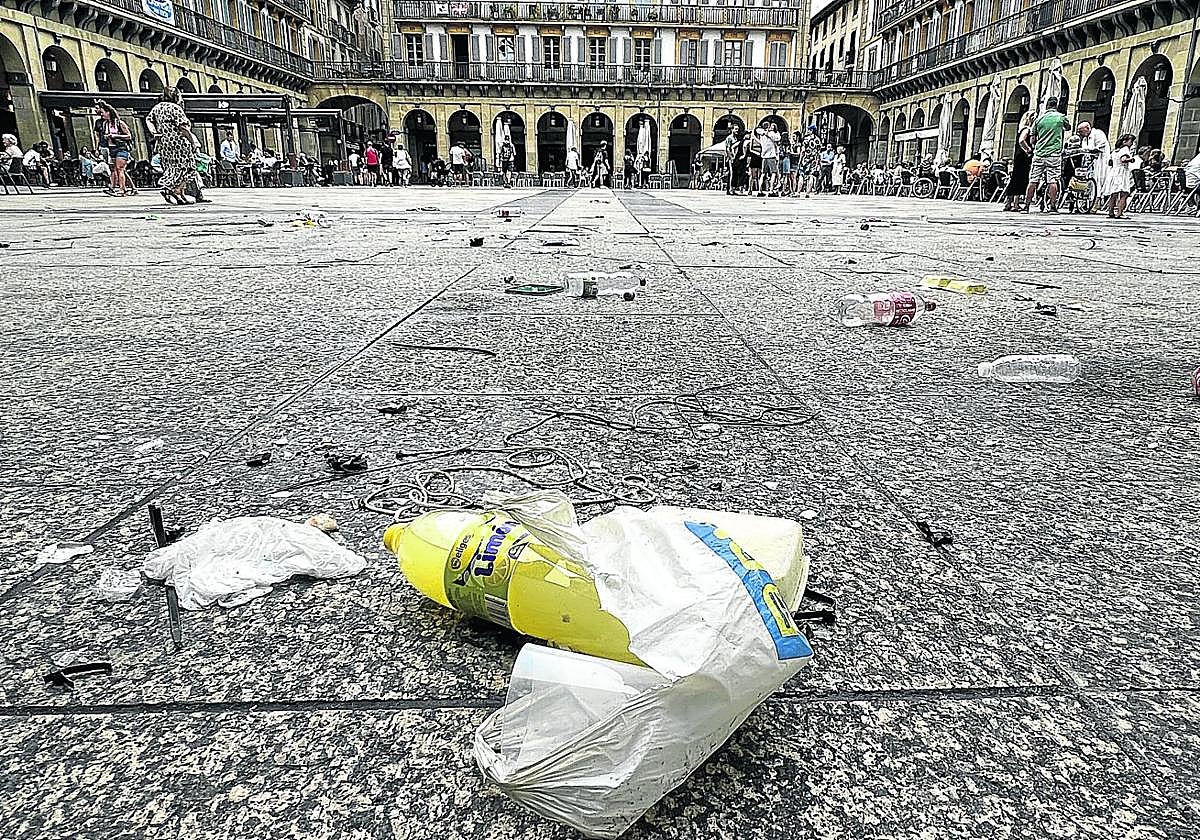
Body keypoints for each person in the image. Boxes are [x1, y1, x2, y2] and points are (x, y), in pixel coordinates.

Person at [146, 87, 203, 205]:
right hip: (178, 143)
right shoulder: (175, 108)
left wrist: (154, 133)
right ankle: (174, 189)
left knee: (171, 168)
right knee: (189, 168)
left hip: (164, 144)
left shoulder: (157, 108)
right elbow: (183, 127)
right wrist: (192, 141)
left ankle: (180, 195)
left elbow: (149, 120)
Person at [1023, 97, 1069, 212]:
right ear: (1056, 105)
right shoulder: (1061, 117)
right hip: (1054, 154)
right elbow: (1068, 127)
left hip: (1039, 154)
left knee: (1033, 180)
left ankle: (1026, 206)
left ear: (1047, 106)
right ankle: (1053, 206)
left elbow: (1032, 139)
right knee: (1052, 180)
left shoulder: (1039, 119)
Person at [96, 100, 136, 196]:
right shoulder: (105, 124)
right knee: (117, 169)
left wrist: (115, 136)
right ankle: (130, 188)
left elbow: (129, 136)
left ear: (108, 112)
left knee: (119, 168)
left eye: (102, 113)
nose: (101, 115)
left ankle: (122, 190)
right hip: (111, 148)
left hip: (121, 148)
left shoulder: (119, 123)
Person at [1004, 111, 1035, 211]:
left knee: (1014, 179)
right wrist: (1028, 150)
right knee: (1020, 179)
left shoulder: (1021, 129)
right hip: (1023, 156)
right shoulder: (1027, 129)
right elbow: (1021, 140)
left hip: (1018, 156)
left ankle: (1008, 203)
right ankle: (1016, 204)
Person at [1103, 133, 1136, 219]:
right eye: (1131, 141)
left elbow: (1110, 162)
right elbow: (1123, 159)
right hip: (1122, 172)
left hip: (1114, 171)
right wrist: (1131, 159)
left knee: (1114, 194)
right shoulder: (1125, 149)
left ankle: (1111, 212)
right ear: (1125, 142)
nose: (1132, 143)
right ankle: (1119, 213)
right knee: (1124, 193)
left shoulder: (1115, 150)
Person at [759, 125, 780, 196]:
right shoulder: (771, 134)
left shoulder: (761, 134)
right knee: (773, 173)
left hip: (764, 156)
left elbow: (757, 130)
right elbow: (778, 138)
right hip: (771, 156)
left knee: (763, 174)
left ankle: (760, 190)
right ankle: (771, 190)